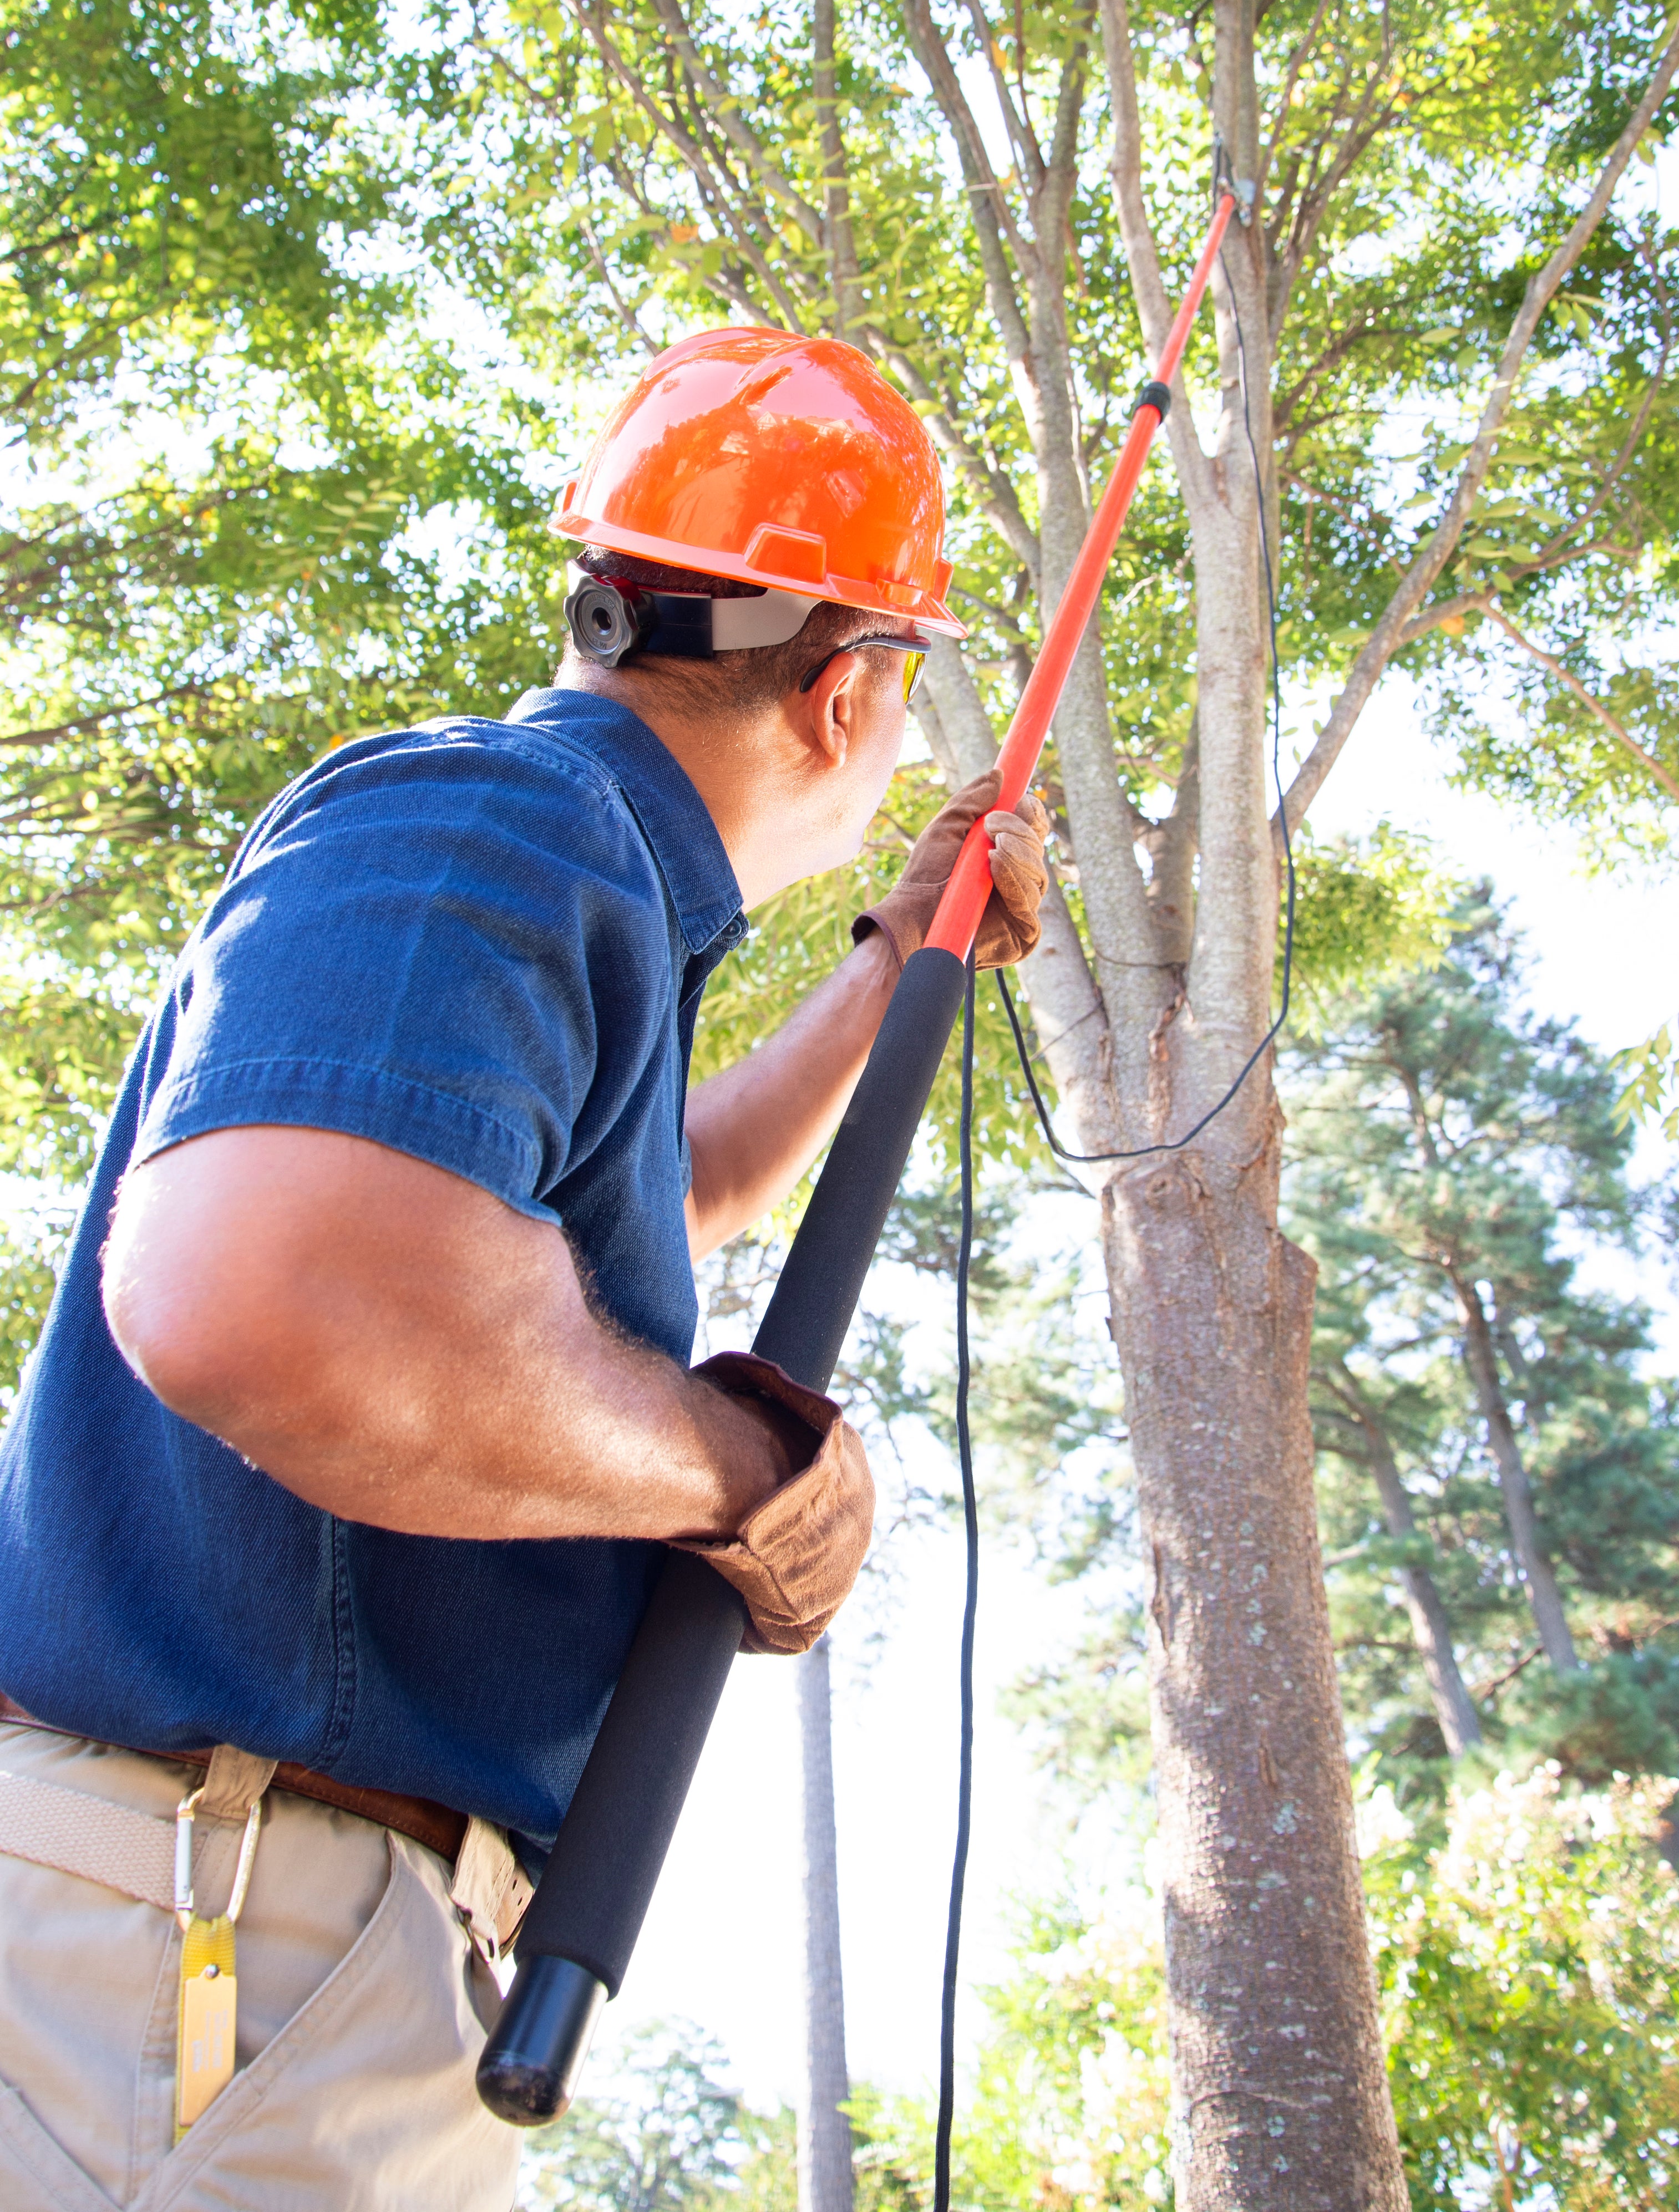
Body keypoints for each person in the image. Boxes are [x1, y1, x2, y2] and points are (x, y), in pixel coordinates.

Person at [0, 328, 1049, 2209]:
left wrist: (895, 963)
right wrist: (747, 1478)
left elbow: (667, 1192)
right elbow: (286, 1294)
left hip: (255, 1962)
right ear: (847, 698)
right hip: (209, 1940)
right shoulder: (498, 817)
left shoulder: (565, 872)